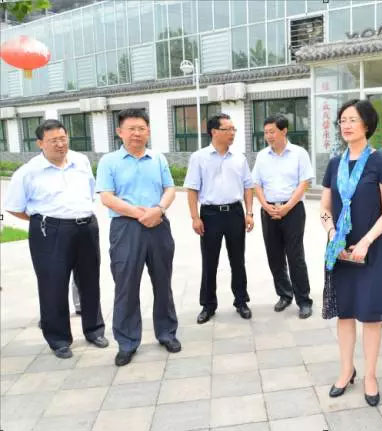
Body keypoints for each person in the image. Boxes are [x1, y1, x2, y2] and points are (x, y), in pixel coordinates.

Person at [4, 119, 108, 359]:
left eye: (63, 139)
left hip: (86, 227)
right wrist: (45, 220)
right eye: (53, 141)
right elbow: (14, 207)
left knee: (90, 281)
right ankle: (59, 339)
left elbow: (90, 191)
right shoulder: (28, 172)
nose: (60, 144)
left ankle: (94, 330)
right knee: (53, 285)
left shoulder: (80, 161)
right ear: (40, 143)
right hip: (50, 232)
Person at [320, 99, 382, 407]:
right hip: (339, 252)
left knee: (371, 316)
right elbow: (325, 208)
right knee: (346, 313)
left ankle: (370, 376)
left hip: (371, 250)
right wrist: (331, 234)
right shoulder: (334, 164)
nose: (346, 125)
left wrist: (365, 242)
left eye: (352, 119)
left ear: (367, 124)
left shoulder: (380, 162)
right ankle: (346, 370)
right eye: (342, 120)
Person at [96, 109, 180, 366]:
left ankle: (167, 333)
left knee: (163, 282)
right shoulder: (109, 161)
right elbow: (106, 197)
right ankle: (127, 342)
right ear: (120, 132)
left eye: (141, 128)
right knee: (126, 286)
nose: (136, 133)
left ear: (148, 131)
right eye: (131, 128)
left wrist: (159, 210)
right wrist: (140, 214)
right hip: (125, 228)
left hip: (158, 225)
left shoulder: (157, 158)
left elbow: (170, 188)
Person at [184, 113, 254, 323]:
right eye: (228, 129)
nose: (232, 133)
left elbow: (248, 187)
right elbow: (192, 189)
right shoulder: (199, 157)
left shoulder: (239, 158)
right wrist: (195, 217)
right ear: (214, 132)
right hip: (210, 214)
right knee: (209, 261)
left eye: (233, 129)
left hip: (235, 213)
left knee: (238, 260)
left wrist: (249, 213)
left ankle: (241, 301)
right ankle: (208, 305)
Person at [252, 114, 314, 319]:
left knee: (295, 256)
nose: (268, 136)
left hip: (293, 210)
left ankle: (304, 300)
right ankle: (284, 294)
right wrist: (265, 205)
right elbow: (256, 183)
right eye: (266, 132)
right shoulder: (262, 156)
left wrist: (287, 206)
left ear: (284, 131)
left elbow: (304, 183)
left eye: (272, 132)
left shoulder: (299, 153)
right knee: (274, 256)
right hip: (268, 210)